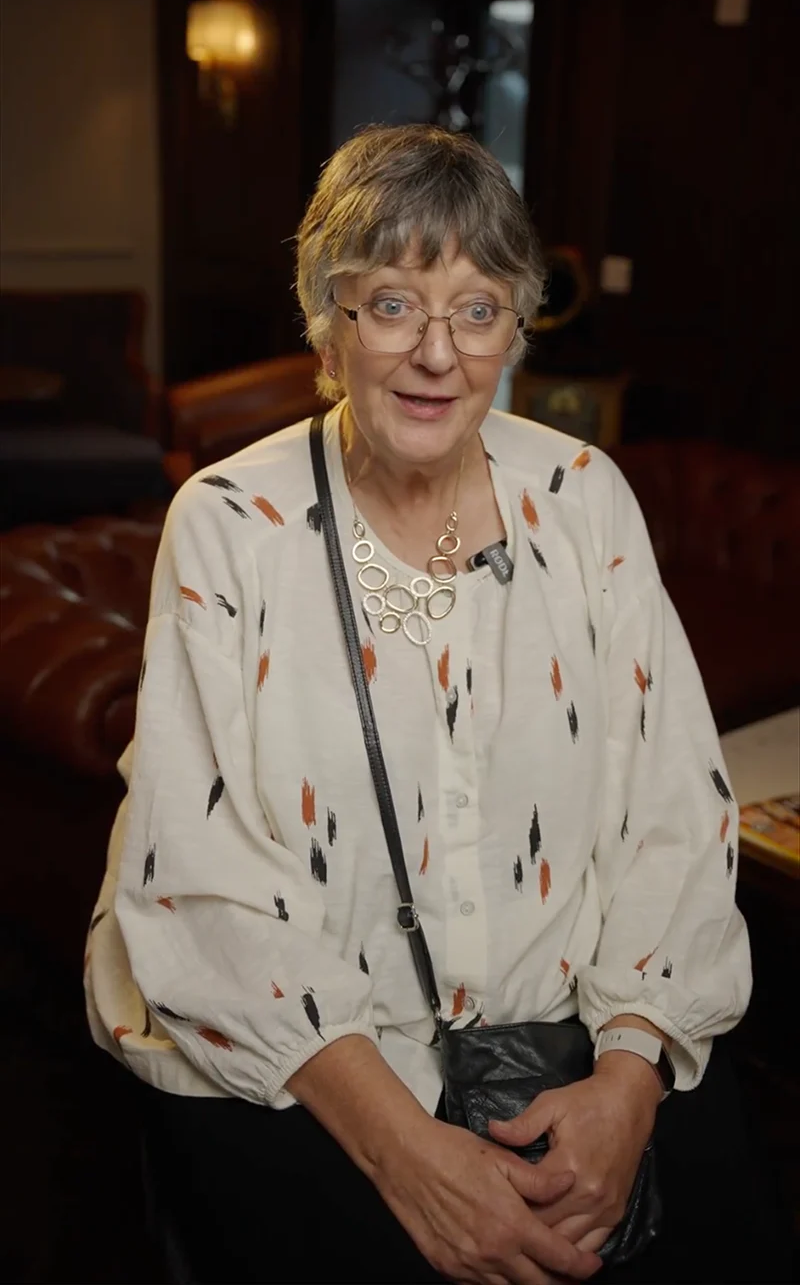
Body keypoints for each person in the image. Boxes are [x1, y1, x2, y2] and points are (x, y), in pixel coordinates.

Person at [85, 125, 787, 1285]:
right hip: (314, 1051)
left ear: (515, 325)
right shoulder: (227, 522)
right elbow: (197, 870)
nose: (435, 354)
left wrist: (625, 1081)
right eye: (391, 304)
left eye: (475, 309)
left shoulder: (583, 496)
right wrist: (403, 1152)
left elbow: (673, 802)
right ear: (327, 320)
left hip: (577, 1030)